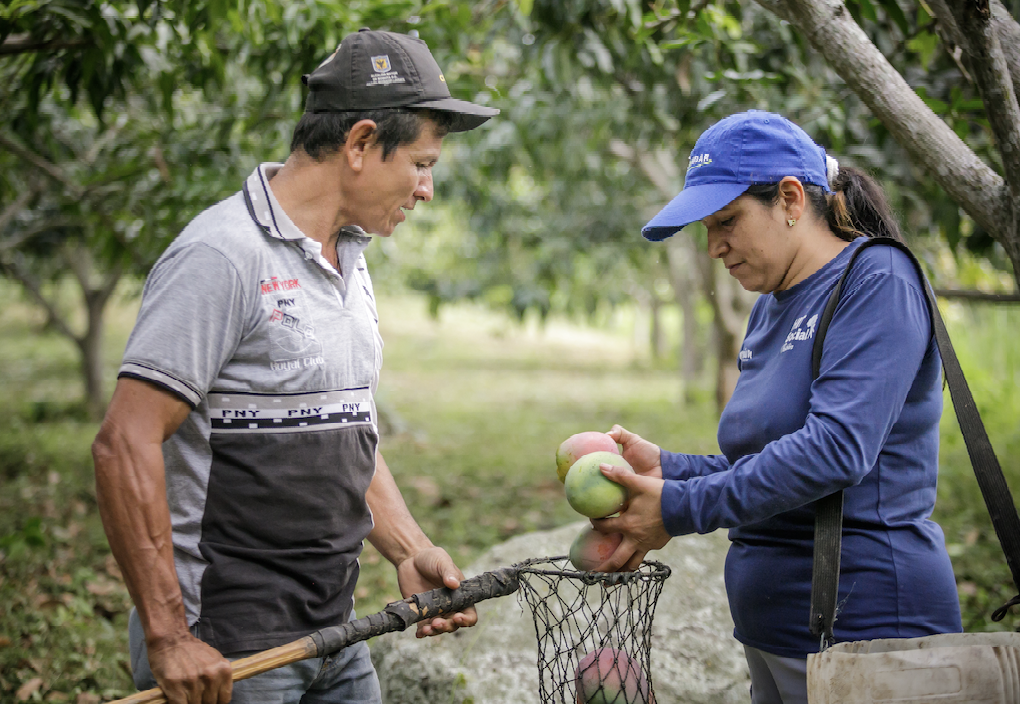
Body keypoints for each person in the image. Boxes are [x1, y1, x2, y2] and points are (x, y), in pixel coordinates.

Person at [92, 28, 498, 704]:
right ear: (361, 144)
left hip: (333, 632)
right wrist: (168, 636)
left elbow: (341, 422)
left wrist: (407, 548)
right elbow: (122, 443)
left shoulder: (350, 257)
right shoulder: (221, 256)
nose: (427, 189)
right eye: (421, 164)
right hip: (228, 646)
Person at [591, 110, 962, 704]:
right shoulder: (772, 304)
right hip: (778, 634)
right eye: (707, 230)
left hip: (865, 637)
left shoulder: (877, 281)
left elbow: (835, 452)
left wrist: (681, 508)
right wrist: (671, 469)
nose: (714, 248)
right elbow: (767, 459)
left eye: (726, 222)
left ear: (790, 198)